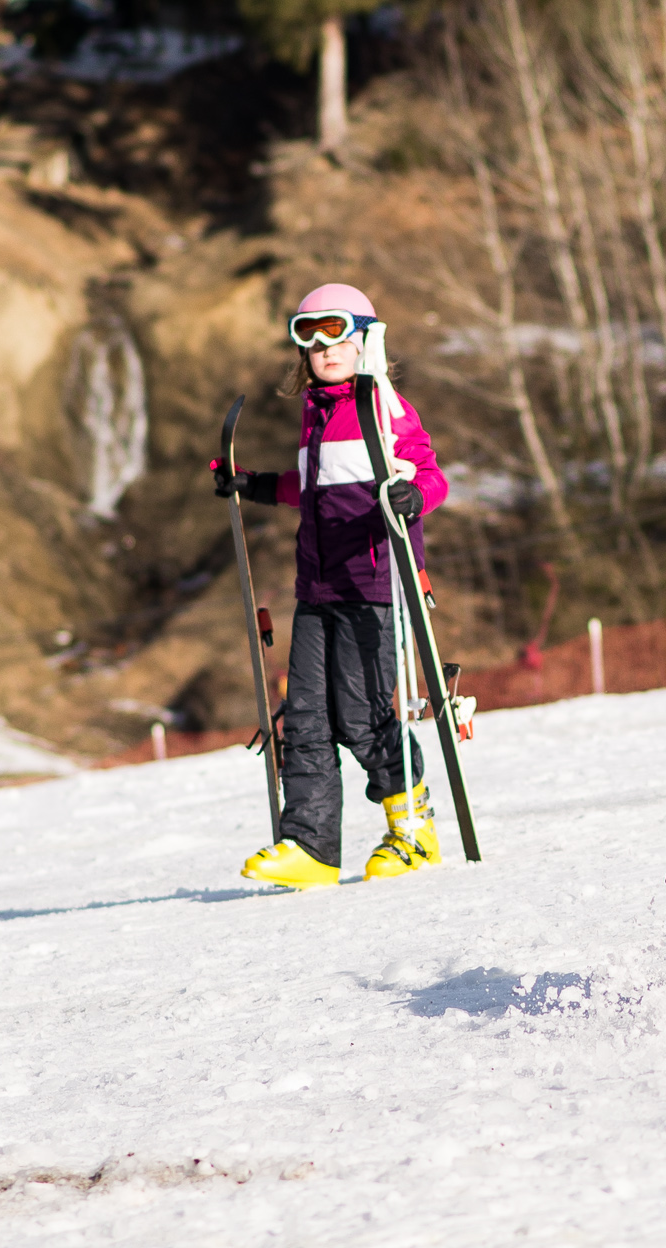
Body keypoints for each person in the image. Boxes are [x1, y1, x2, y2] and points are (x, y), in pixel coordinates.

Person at [215, 283, 449, 888]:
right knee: (308, 719)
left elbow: (430, 475)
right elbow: (309, 489)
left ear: (365, 338)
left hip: (374, 581)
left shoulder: (386, 408)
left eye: (335, 331)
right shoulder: (314, 416)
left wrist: (412, 495)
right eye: (309, 334)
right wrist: (254, 485)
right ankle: (311, 847)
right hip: (317, 585)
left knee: (364, 715)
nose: (324, 347)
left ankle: (412, 831)